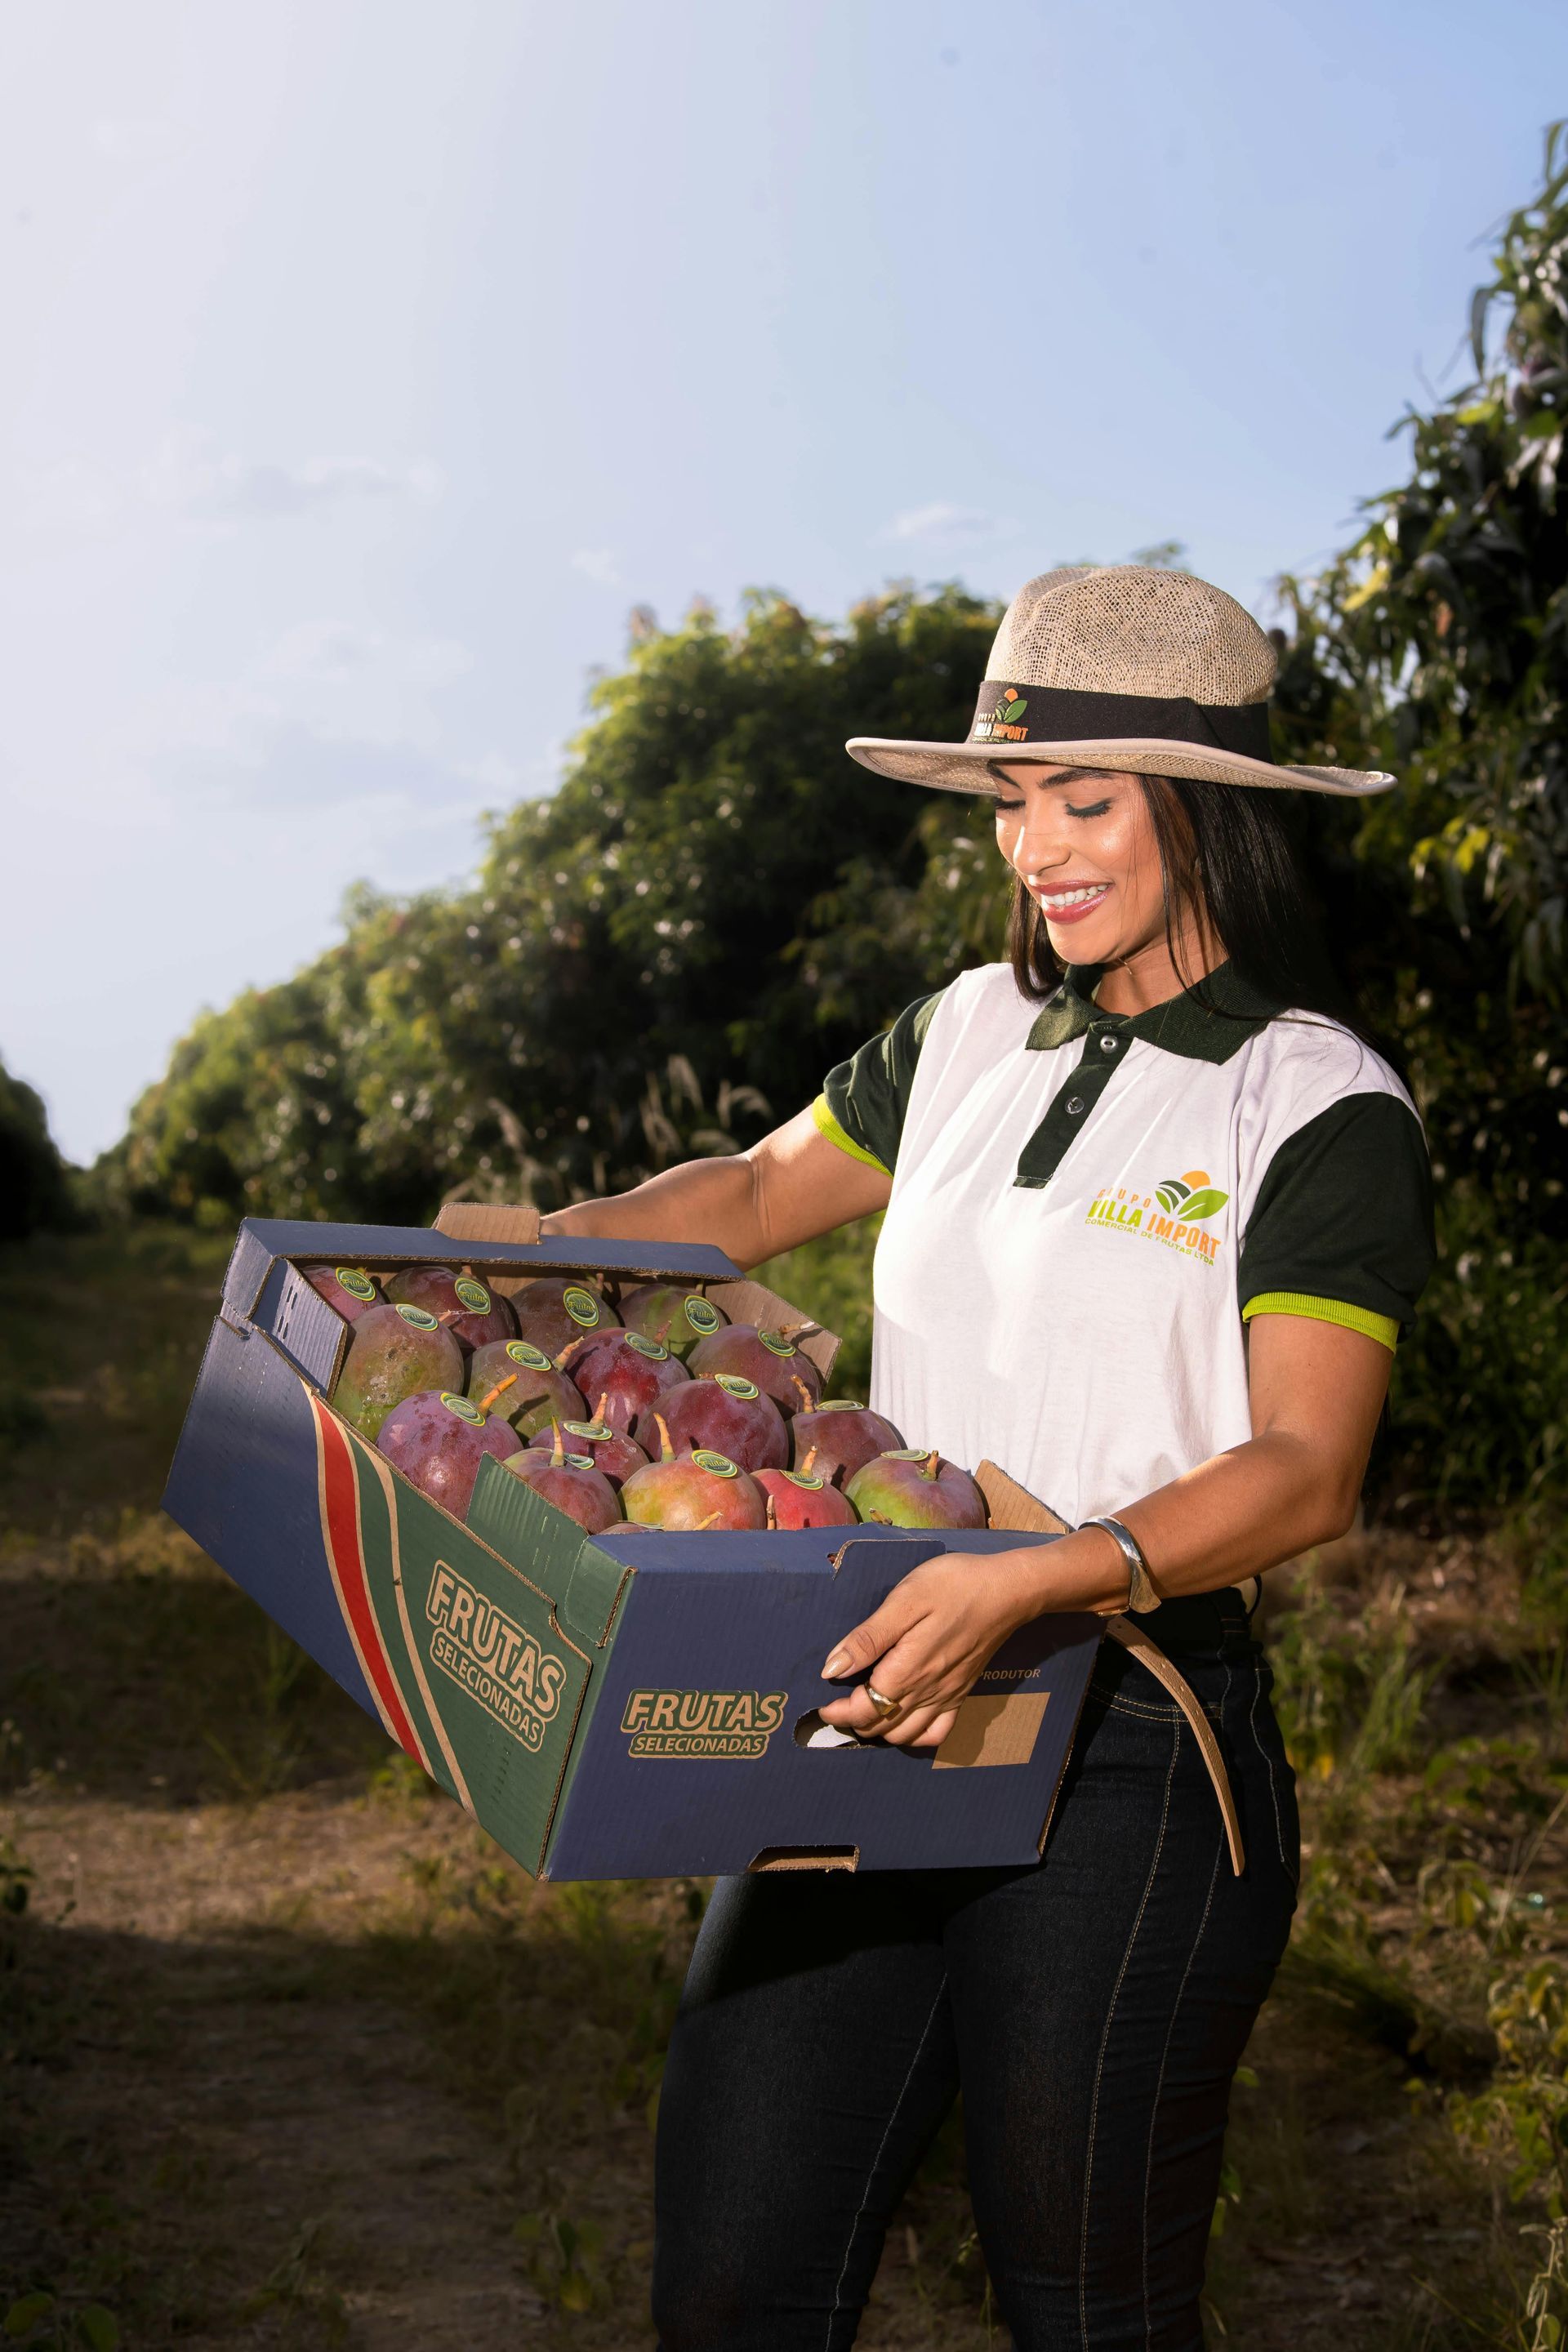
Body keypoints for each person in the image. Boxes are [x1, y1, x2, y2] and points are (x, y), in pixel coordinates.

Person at [541, 564, 1434, 2350]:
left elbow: (1306, 1469)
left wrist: (1042, 1570)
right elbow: (752, 1195)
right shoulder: (963, 1033)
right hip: (868, 1706)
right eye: (1014, 806)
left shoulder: (1314, 1101)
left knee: (1087, 2314)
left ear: (1209, 811)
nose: (1038, 850)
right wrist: (541, 1241)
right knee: (732, 2287)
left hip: (1127, 1747)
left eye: (1086, 801)